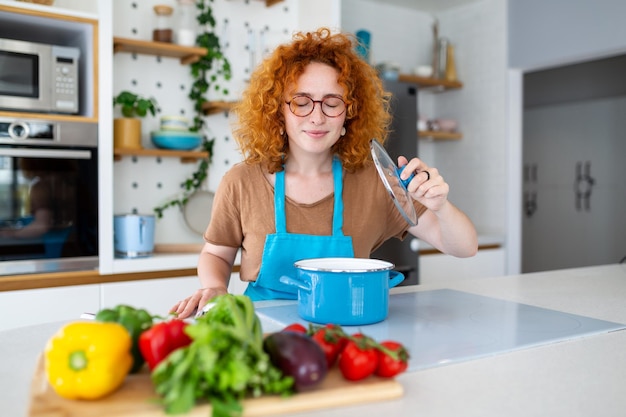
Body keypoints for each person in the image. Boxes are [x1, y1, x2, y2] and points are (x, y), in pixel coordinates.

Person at [172, 27, 477, 319]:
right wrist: (214, 287)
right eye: (301, 102)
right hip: (264, 331)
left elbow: (464, 247)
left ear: (350, 112)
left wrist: (441, 206)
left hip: (348, 325)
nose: (316, 117)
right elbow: (216, 253)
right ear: (279, 111)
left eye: (332, 103)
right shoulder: (241, 181)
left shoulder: (377, 182)